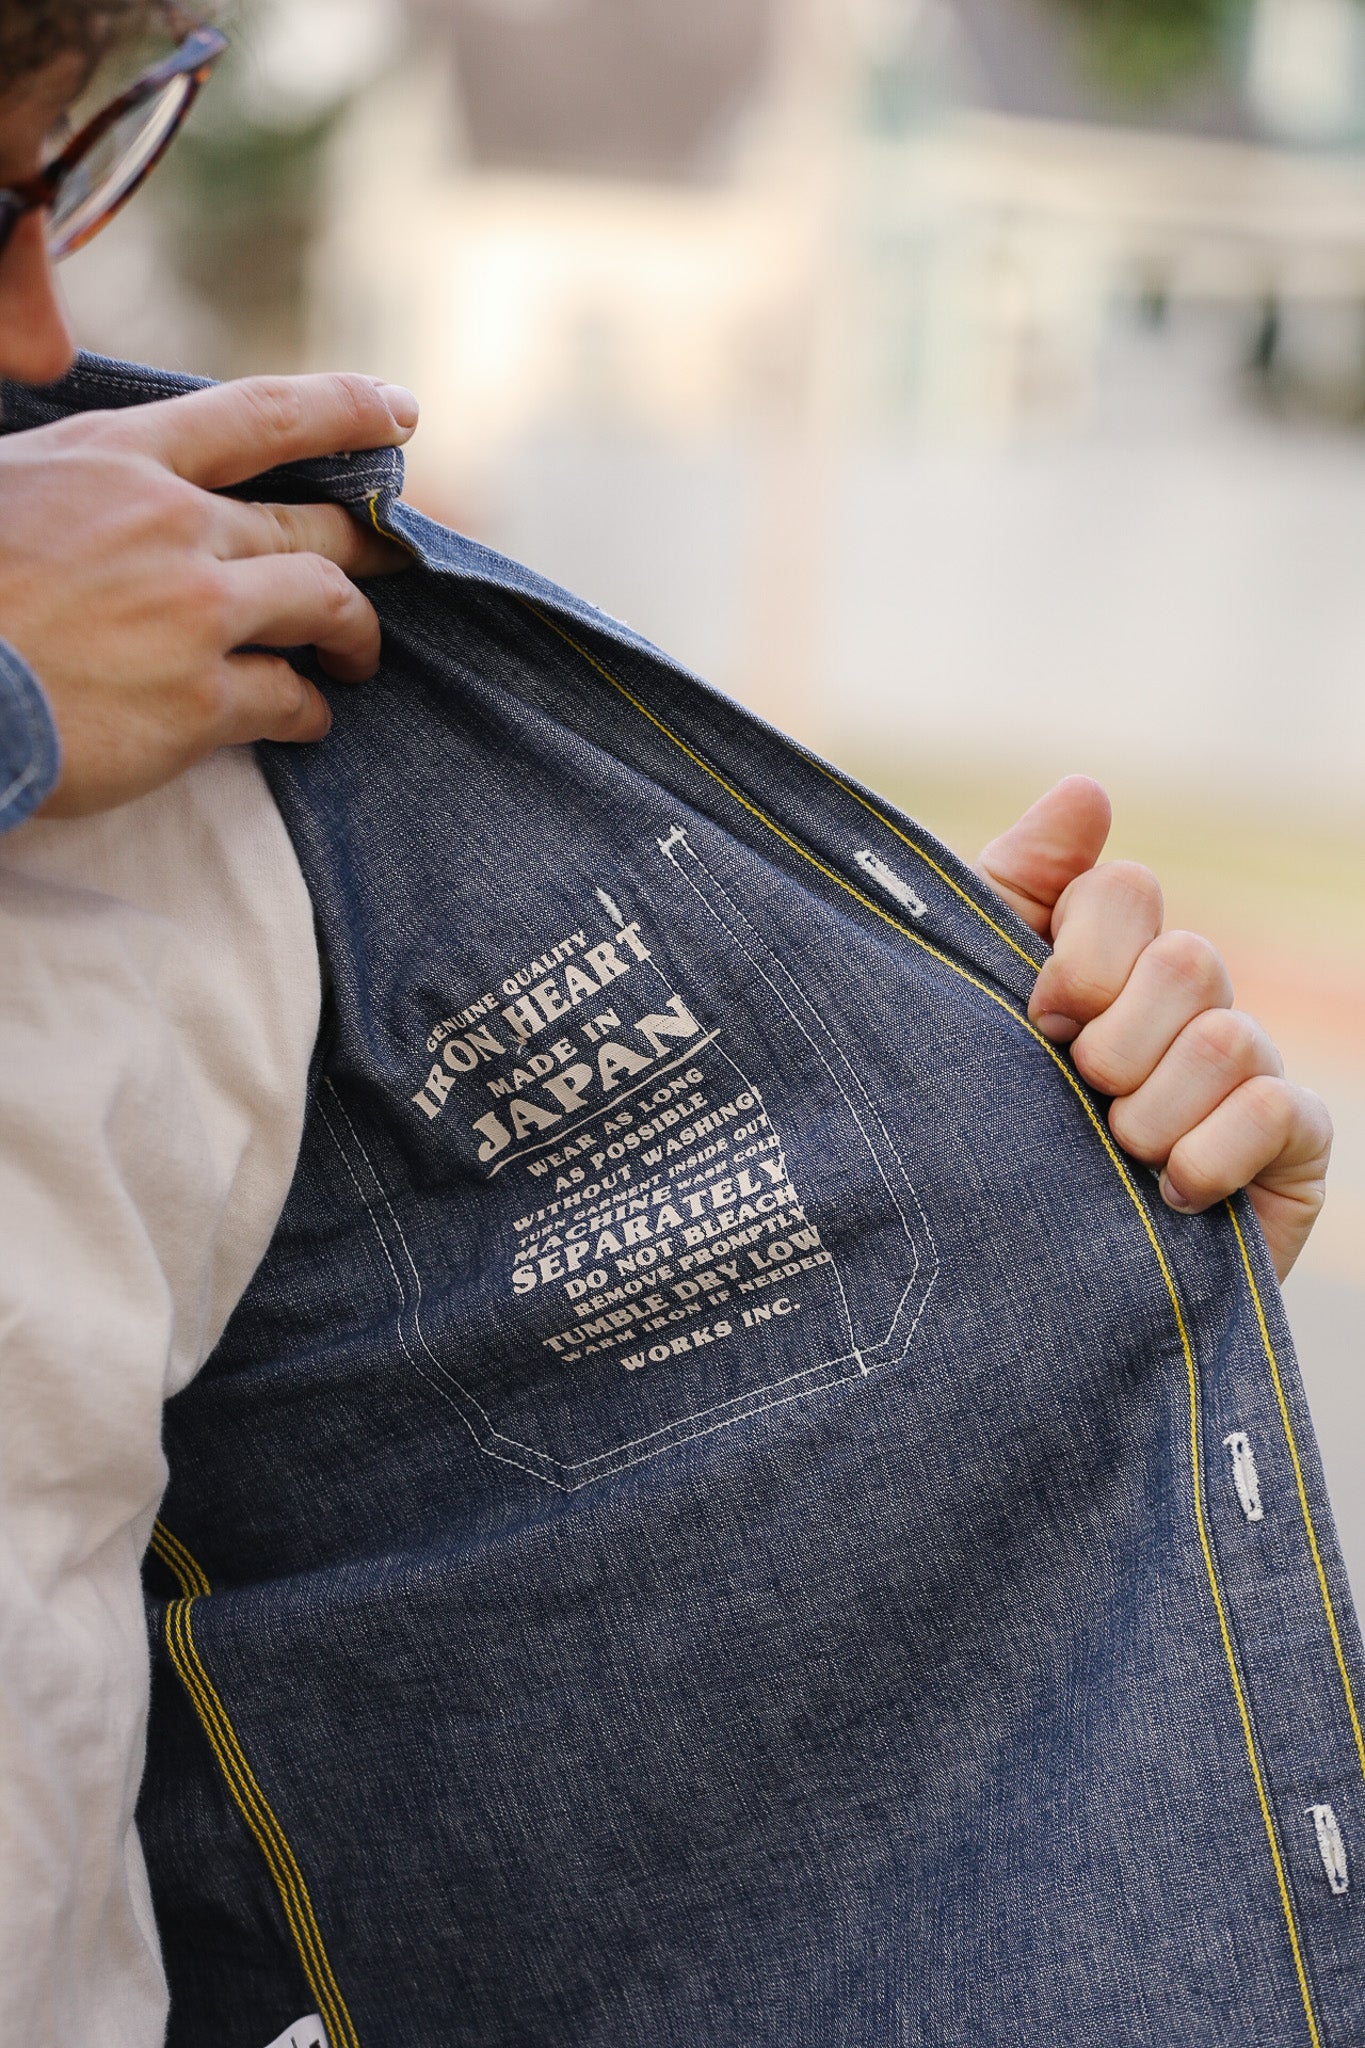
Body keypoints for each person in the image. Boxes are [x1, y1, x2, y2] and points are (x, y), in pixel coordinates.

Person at [0, 5, 1335, 2045]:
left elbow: (298, 1747)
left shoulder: (189, 727)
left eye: (70, 169)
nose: (34, 330)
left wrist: (1000, 1176)